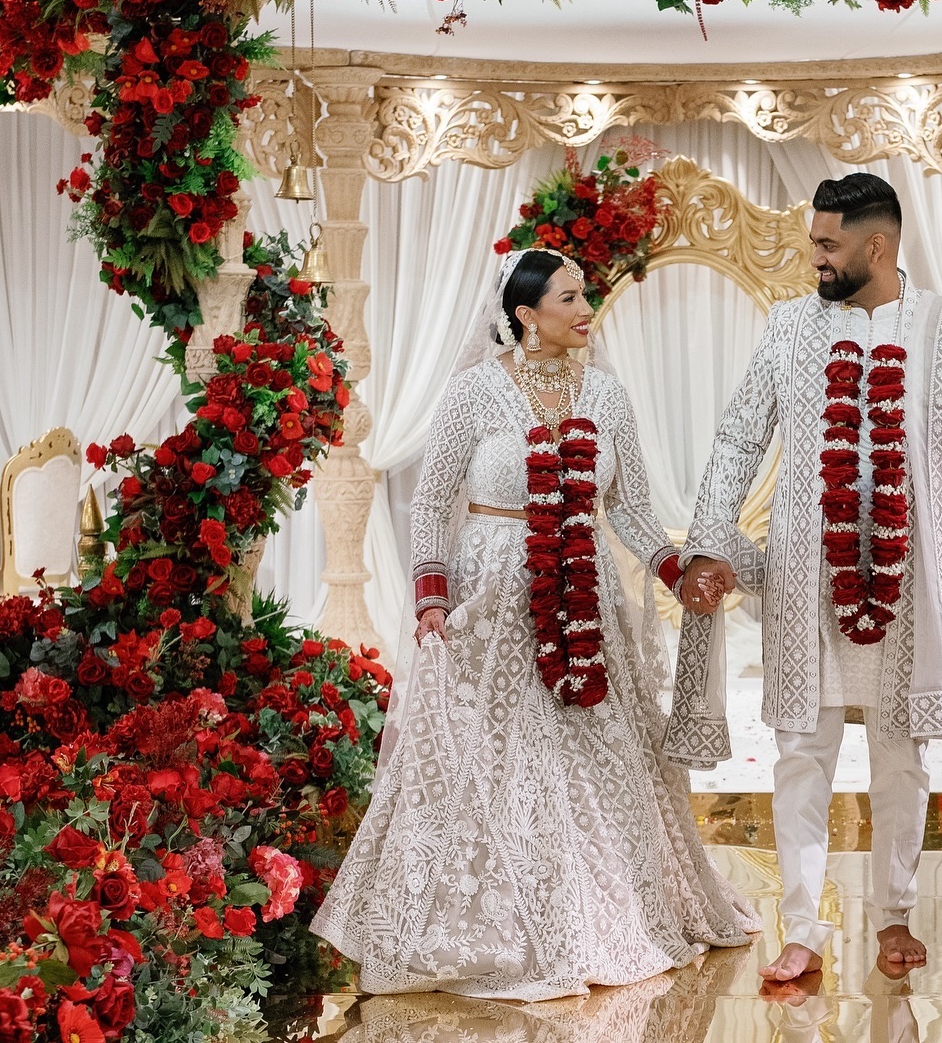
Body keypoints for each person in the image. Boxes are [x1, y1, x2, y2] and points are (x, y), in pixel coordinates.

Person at [312, 248, 758, 999]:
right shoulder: (474, 396)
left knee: (589, 758)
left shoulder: (609, 398)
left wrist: (674, 569)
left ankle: (594, 912)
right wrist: (431, 593)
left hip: (586, 598)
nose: (587, 310)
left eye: (586, 295)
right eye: (570, 297)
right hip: (492, 601)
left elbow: (631, 510)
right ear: (525, 315)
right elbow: (431, 501)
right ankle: (493, 920)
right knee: (493, 761)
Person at [663, 173, 942, 982]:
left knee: (901, 756)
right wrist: (710, 542)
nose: (816, 258)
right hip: (808, 582)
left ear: (878, 246)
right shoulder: (790, 327)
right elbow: (736, 440)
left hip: (915, 586)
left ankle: (894, 913)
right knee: (802, 752)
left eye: (828, 244)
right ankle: (802, 926)